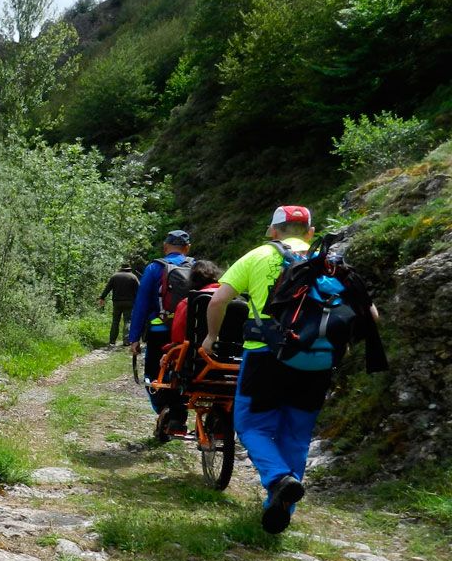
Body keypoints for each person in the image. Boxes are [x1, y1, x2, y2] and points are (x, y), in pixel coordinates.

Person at [202, 206, 383, 534]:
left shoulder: (257, 256)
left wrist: (211, 337)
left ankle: (277, 479)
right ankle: (281, 505)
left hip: (265, 358)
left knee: (252, 426)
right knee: (296, 435)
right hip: (318, 362)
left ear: (274, 231)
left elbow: (217, 301)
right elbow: (371, 316)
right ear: (310, 232)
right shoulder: (332, 263)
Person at [128, 229, 194, 432]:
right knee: (185, 372)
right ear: (187, 248)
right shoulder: (198, 267)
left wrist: (134, 338)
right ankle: (178, 414)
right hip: (189, 333)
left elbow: (141, 304)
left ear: (165, 247)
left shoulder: (154, 268)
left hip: (160, 331)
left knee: (154, 374)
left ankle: (163, 409)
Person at [170, 260, 224, 345]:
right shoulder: (232, 298)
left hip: (196, 354)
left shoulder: (187, 303)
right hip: (231, 354)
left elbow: (178, 338)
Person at [98, 265, 140, 346]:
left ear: (121, 269)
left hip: (117, 303)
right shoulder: (133, 277)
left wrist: (102, 297)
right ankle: (126, 341)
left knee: (115, 321)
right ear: (129, 269)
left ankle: (112, 341)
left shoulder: (114, 276)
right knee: (128, 321)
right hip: (129, 303)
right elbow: (139, 290)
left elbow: (107, 288)